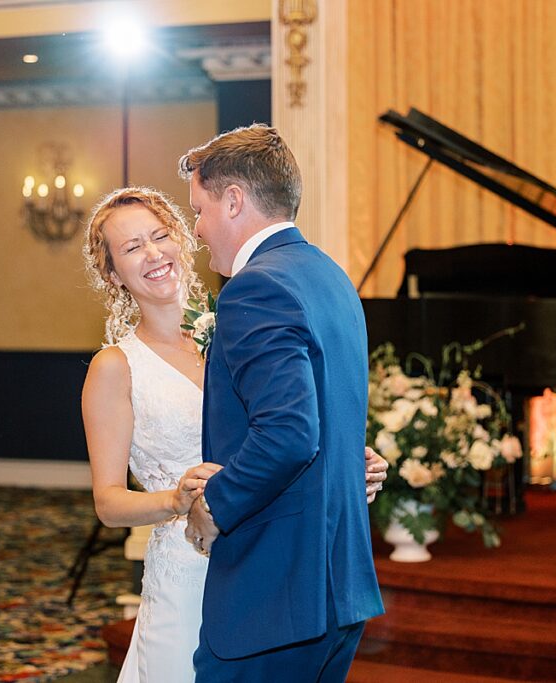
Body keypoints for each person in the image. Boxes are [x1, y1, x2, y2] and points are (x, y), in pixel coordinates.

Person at [80, 186, 386, 683]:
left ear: (183, 239)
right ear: (113, 274)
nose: (154, 253)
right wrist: (178, 500)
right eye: (133, 247)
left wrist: (348, 463)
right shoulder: (115, 368)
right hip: (186, 568)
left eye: (161, 236)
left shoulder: (241, 320)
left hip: (269, 563)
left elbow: (286, 432)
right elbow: (108, 502)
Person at [181, 124, 385, 681]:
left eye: (199, 210)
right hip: (336, 589)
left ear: (234, 200)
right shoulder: (330, 275)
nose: (196, 230)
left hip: (275, 596)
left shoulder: (255, 288)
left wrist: (214, 504)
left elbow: (290, 433)